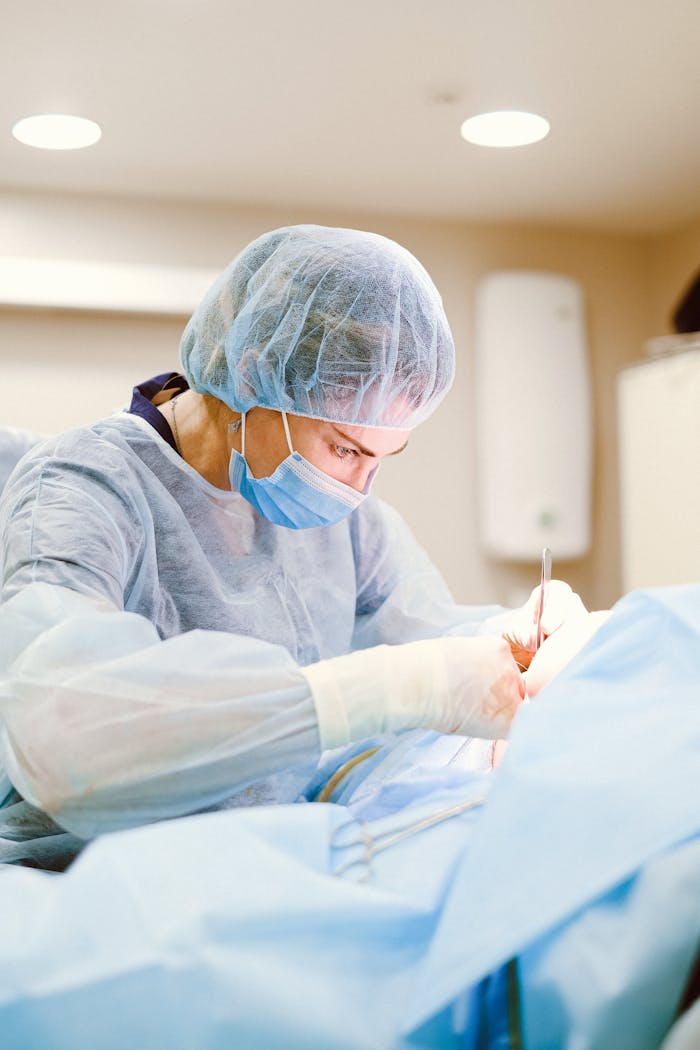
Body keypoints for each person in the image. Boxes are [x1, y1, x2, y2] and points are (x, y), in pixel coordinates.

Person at [0, 224, 585, 864]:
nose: (359, 488)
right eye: (345, 449)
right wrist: (387, 690)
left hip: (264, 864)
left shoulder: (346, 523)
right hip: (82, 879)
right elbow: (63, 735)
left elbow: (422, 635)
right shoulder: (84, 488)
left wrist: (509, 638)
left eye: (383, 457)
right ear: (255, 375)